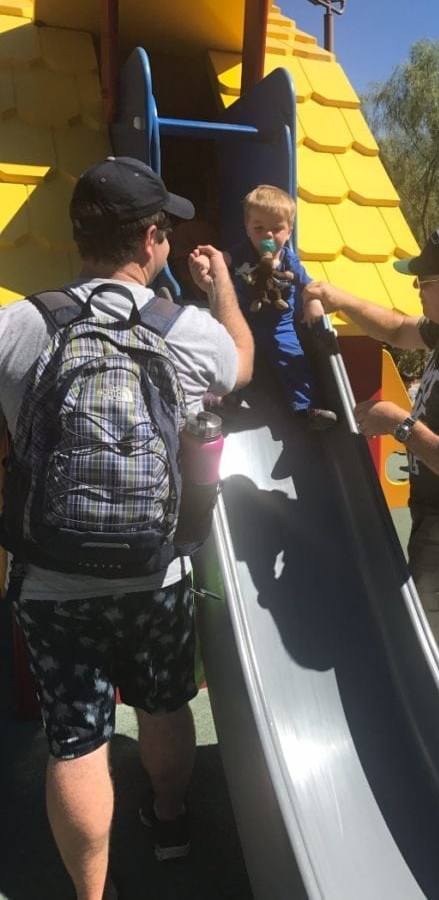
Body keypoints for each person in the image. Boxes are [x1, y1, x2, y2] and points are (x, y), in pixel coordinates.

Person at [0, 156, 254, 900]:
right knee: (165, 705)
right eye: (166, 231)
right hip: (158, 572)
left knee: (76, 741)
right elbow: (241, 365)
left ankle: (91, 893)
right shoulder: (189, 330)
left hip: (50, 579)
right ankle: (169, 818)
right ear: (149, 240)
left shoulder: (21, 324)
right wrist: (223, 289)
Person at [304, 224, 439, 769]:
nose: (417, 294)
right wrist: (335, 298)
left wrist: (400, 425)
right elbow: (401, 328)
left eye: (422, 283)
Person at [225, 184, 337, 431]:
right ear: (247, 228)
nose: (268, 236)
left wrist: (314, 303)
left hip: (280, 323)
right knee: (231, 354)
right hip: (243, 320)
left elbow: (309, 285)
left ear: (289, 231)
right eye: (259, 228)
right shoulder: (242, 252)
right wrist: (210, 260)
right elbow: (224, 259)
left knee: (293, 359)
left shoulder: (289, 260)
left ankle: (308, 407)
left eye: (276, 229)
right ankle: (227, 398)